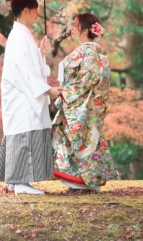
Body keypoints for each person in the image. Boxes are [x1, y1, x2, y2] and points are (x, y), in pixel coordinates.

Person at [0, 0, 62, 195]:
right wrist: (47, 90)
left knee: (22, 133)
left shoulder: (22, 35)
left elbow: (30, 66)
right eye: (35, 10)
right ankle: (21, 182)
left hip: (23, 95)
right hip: (22, 97)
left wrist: (40, 52)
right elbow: (25, 72)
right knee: (24, 134)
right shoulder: (19, 36)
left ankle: (16, 180)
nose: (37, 14)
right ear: (25, 10)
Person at [51, 13, 117, 192]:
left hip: (82, 107)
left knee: (83, 144)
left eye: (75, 25)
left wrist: (64, 93)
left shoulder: (87, 53)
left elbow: (84, 82)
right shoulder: (92, 54)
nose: (72, 28)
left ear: (85, 30)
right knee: (87, 144)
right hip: (85, 106)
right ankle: (86, 182)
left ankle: (82, 183)